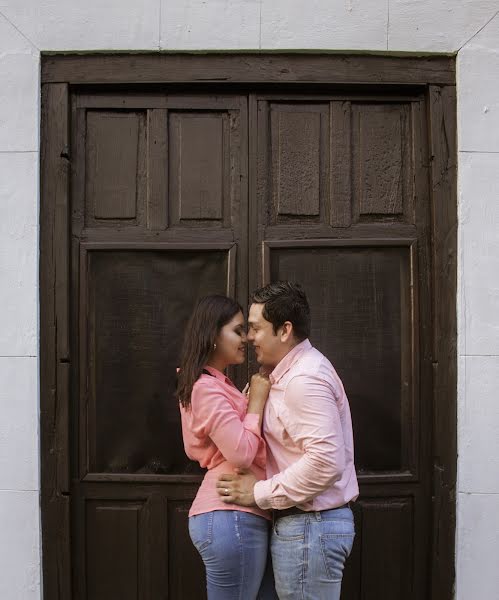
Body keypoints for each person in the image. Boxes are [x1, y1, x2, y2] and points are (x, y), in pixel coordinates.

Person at [216, 282, 359, 600]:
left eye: (255, 328)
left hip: (311, 526)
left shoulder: (304, 380)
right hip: (305, 527)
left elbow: (325, 461)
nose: (249, 337)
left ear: (285, 330)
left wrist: (257, 492)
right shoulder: (285, 374)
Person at [177, 295, 277, 600]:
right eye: (237, 330)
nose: (246, 338)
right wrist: (256, 403)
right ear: (212, 334)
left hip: (240, 514)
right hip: (230, 514)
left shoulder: (217, 384)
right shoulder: (205, 388)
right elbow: (242, 454)